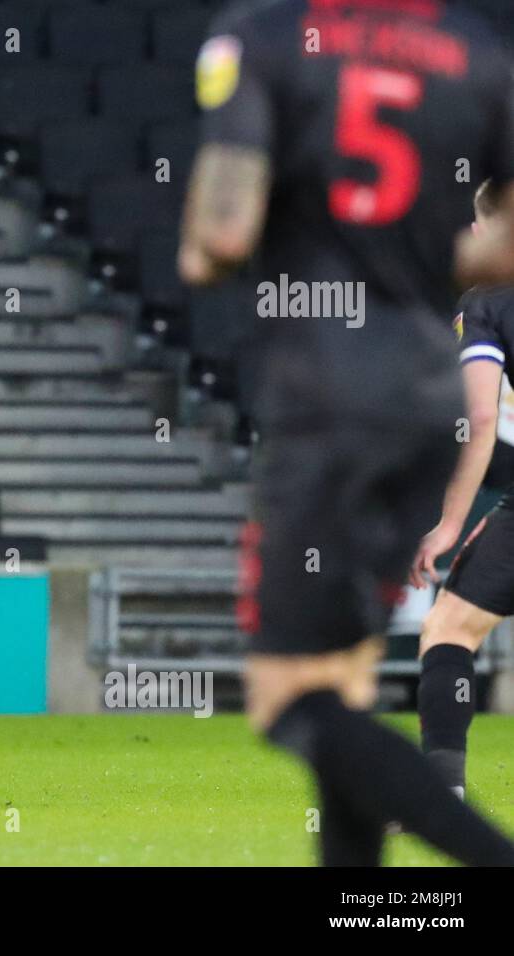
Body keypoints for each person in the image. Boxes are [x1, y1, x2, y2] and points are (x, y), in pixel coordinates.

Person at [179, 0, 514, 865]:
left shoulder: (263, 37)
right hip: (424, 398)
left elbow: (221, 235)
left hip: (328, 398)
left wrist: (218, 251)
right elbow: (503, 246)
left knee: (290, 702)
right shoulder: (477, 55)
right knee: (343, 684)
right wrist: (413, 254)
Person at [409, 179, 514, 799]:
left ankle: (441, 792)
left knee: (450, 629)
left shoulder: (487, 304)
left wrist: (450, 523)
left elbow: (478, 419)